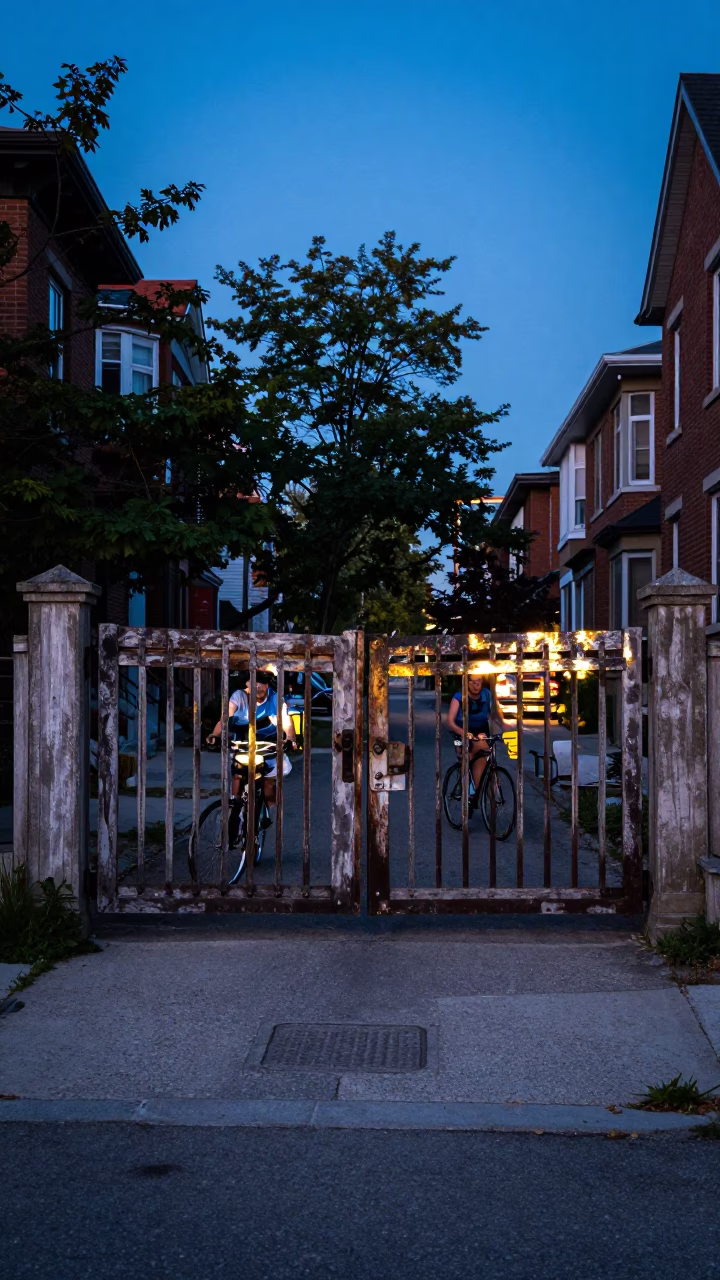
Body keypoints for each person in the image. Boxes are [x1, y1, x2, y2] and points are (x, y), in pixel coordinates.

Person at [206, 670, 298, 821]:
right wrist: (215, 735)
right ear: (247, 684)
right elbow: (225, 718)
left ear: (267, 685)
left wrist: (290, 739)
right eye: (254, 683)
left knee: (268, 786)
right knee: (237, 775)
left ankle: (263, 816)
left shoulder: (275, 699)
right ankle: (233, 811)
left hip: (268, 746)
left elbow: (286, 721)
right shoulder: (238, 696)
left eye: (262, 683)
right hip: (242, 745)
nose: (258, 687)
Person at [446, 676, 507, 793]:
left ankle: (477, 790)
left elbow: (494, 711)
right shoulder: (459, 697)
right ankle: (468, 788)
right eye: (473, 682)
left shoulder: (486, 694)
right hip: (462, 733)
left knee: (484, 758)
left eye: (479, 681)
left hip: (482, 732)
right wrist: (464, 733)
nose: (476, 685)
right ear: (466, 683)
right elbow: (450, 722)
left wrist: (502, 723)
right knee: (470, 758)